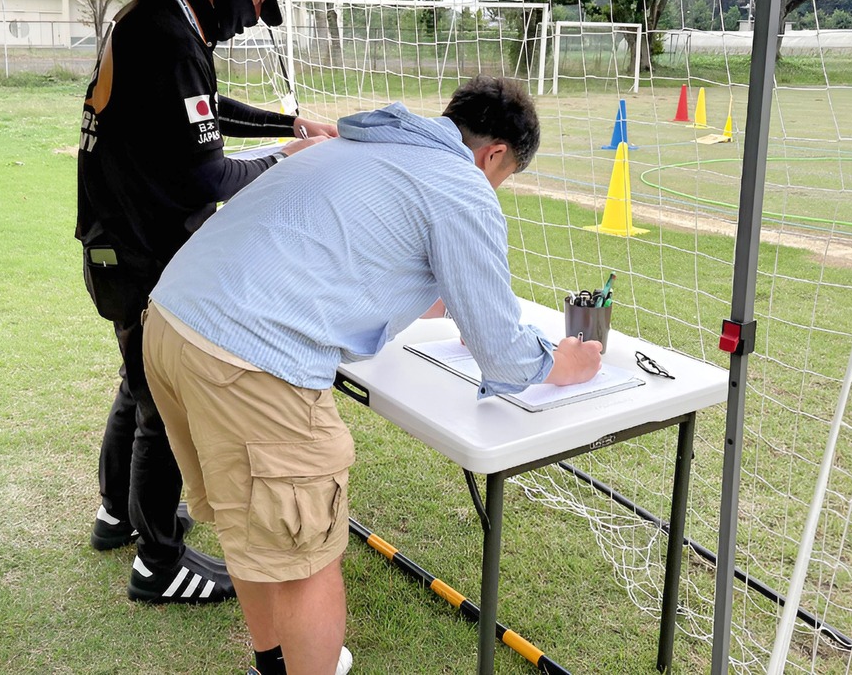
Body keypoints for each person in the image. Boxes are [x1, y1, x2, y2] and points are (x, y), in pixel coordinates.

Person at [142, 76, 603, 675]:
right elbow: (507, 358)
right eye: (504, 176)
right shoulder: (461, 183)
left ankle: (275, 663)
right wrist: (563, 362)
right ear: (495, 155)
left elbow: (370, 250)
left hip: (173, 323)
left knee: (250, 523)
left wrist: (464, 306)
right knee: (307, 559)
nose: (496, 186)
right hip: (248, 360)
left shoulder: (366, 146)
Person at [75, 0, 335, 604]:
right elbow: (206, 178)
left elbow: (204, 109)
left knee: (137, 382)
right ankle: (158, 562)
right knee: (161, 398)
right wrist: (290, 158)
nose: (251, 19)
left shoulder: (155, 17)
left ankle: (117, 516)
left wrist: (287, 124)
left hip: (113, 245)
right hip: (142, 249)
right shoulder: (171, 31)